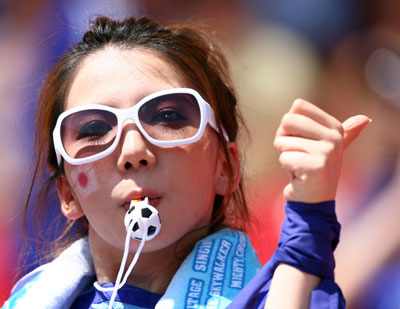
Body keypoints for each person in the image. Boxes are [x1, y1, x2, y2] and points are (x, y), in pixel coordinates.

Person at [2, 16, 370, 309]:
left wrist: (309, 229)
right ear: (67, 193)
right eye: (94, 128)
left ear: (225, 167)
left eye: (167, 116)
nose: (133, 151)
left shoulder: (287, 294)